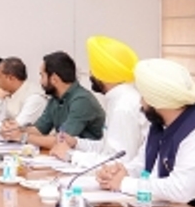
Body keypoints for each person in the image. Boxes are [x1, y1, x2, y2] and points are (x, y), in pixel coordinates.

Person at [96, 58, 195, 207]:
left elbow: (181, 190)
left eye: (143, 96)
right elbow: (143, 166)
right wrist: (122, 172)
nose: (140, 102)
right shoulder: (159, 125)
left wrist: (124, 183)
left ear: (157, 100)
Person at [51, 36, 148, 167]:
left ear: (103, 73)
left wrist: (71, 155)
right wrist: (76, 143)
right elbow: (107, 148)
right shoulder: (118, 98)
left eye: (93, 70)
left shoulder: (123, 106)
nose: (90, 74)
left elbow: (118, 161)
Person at [4, 51, 105, 149]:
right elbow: (39, 129)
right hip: (67, 154)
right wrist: (15, 130)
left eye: (42, 76)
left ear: (54, 79)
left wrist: (22, 137)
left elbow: (62, 140)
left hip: (89, 157)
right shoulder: (55, 99)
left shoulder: (82, 101)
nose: (40, 81)